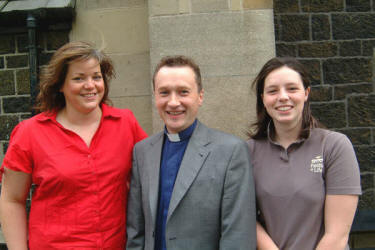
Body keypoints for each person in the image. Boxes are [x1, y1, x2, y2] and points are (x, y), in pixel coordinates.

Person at [0, 41, 147, 249]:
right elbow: (11, 199)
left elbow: (148, 181)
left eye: (96, 77)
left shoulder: (126, 123)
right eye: (79, 78)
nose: (90, 85)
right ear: (60, 85)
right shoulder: (30, 133)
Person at [126, 55, 256, 250]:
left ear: (200, 96)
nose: (173, 102)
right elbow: (136, 230)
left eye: (183, 92)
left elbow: (237, 234)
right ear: (155, 96)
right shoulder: (142, 152)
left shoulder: (231, 151)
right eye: (164, 92)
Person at [247, 57, 362, 250]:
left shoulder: (334, 146)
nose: (283, 97)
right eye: (272, 91)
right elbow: (246, 219)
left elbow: (337, 235)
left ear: (306, 93)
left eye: (292, 88)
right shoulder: (247, 152)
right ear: (263, 98)